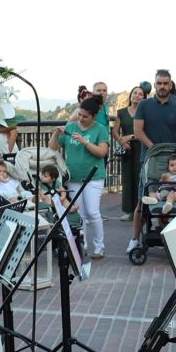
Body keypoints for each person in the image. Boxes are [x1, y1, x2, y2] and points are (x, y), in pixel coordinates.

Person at [131, 70, 176, 251]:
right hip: (150, 159)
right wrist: (154, 149)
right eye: (159, 83)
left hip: (172, 161)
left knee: (172, 199)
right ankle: (134, 239)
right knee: (143, 200)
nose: (162, 86)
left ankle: (168, 235)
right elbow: (138, 131)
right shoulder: (144, 105)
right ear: (154, 85)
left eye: (166, 83)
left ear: (170, 85)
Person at [58, 94, 110, 258]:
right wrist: (55, 135)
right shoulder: (71, 127)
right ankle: (82, 245)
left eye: (85, 116)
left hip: (93, 176)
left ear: (93, 116)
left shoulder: (100, 129)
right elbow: (53, 147)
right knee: (78, 214)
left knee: (92, 212)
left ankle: (99, 247)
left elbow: (102, 152)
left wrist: (85, 142)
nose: (80, 118)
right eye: (79, 114)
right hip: (73, 177)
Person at [115, 84, 144, 218]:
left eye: (140, 94)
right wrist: (122, 141)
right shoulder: (121, 112)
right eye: (135, 93)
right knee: (127, 178)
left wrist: (130, 137)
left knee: (139, 176)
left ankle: (140, 209)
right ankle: (128, 211)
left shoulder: (144, 112)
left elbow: (144, 131)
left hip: (140, 147)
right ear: (130, 95)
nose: (137, 95)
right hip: (127, 149)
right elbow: (115, 131)